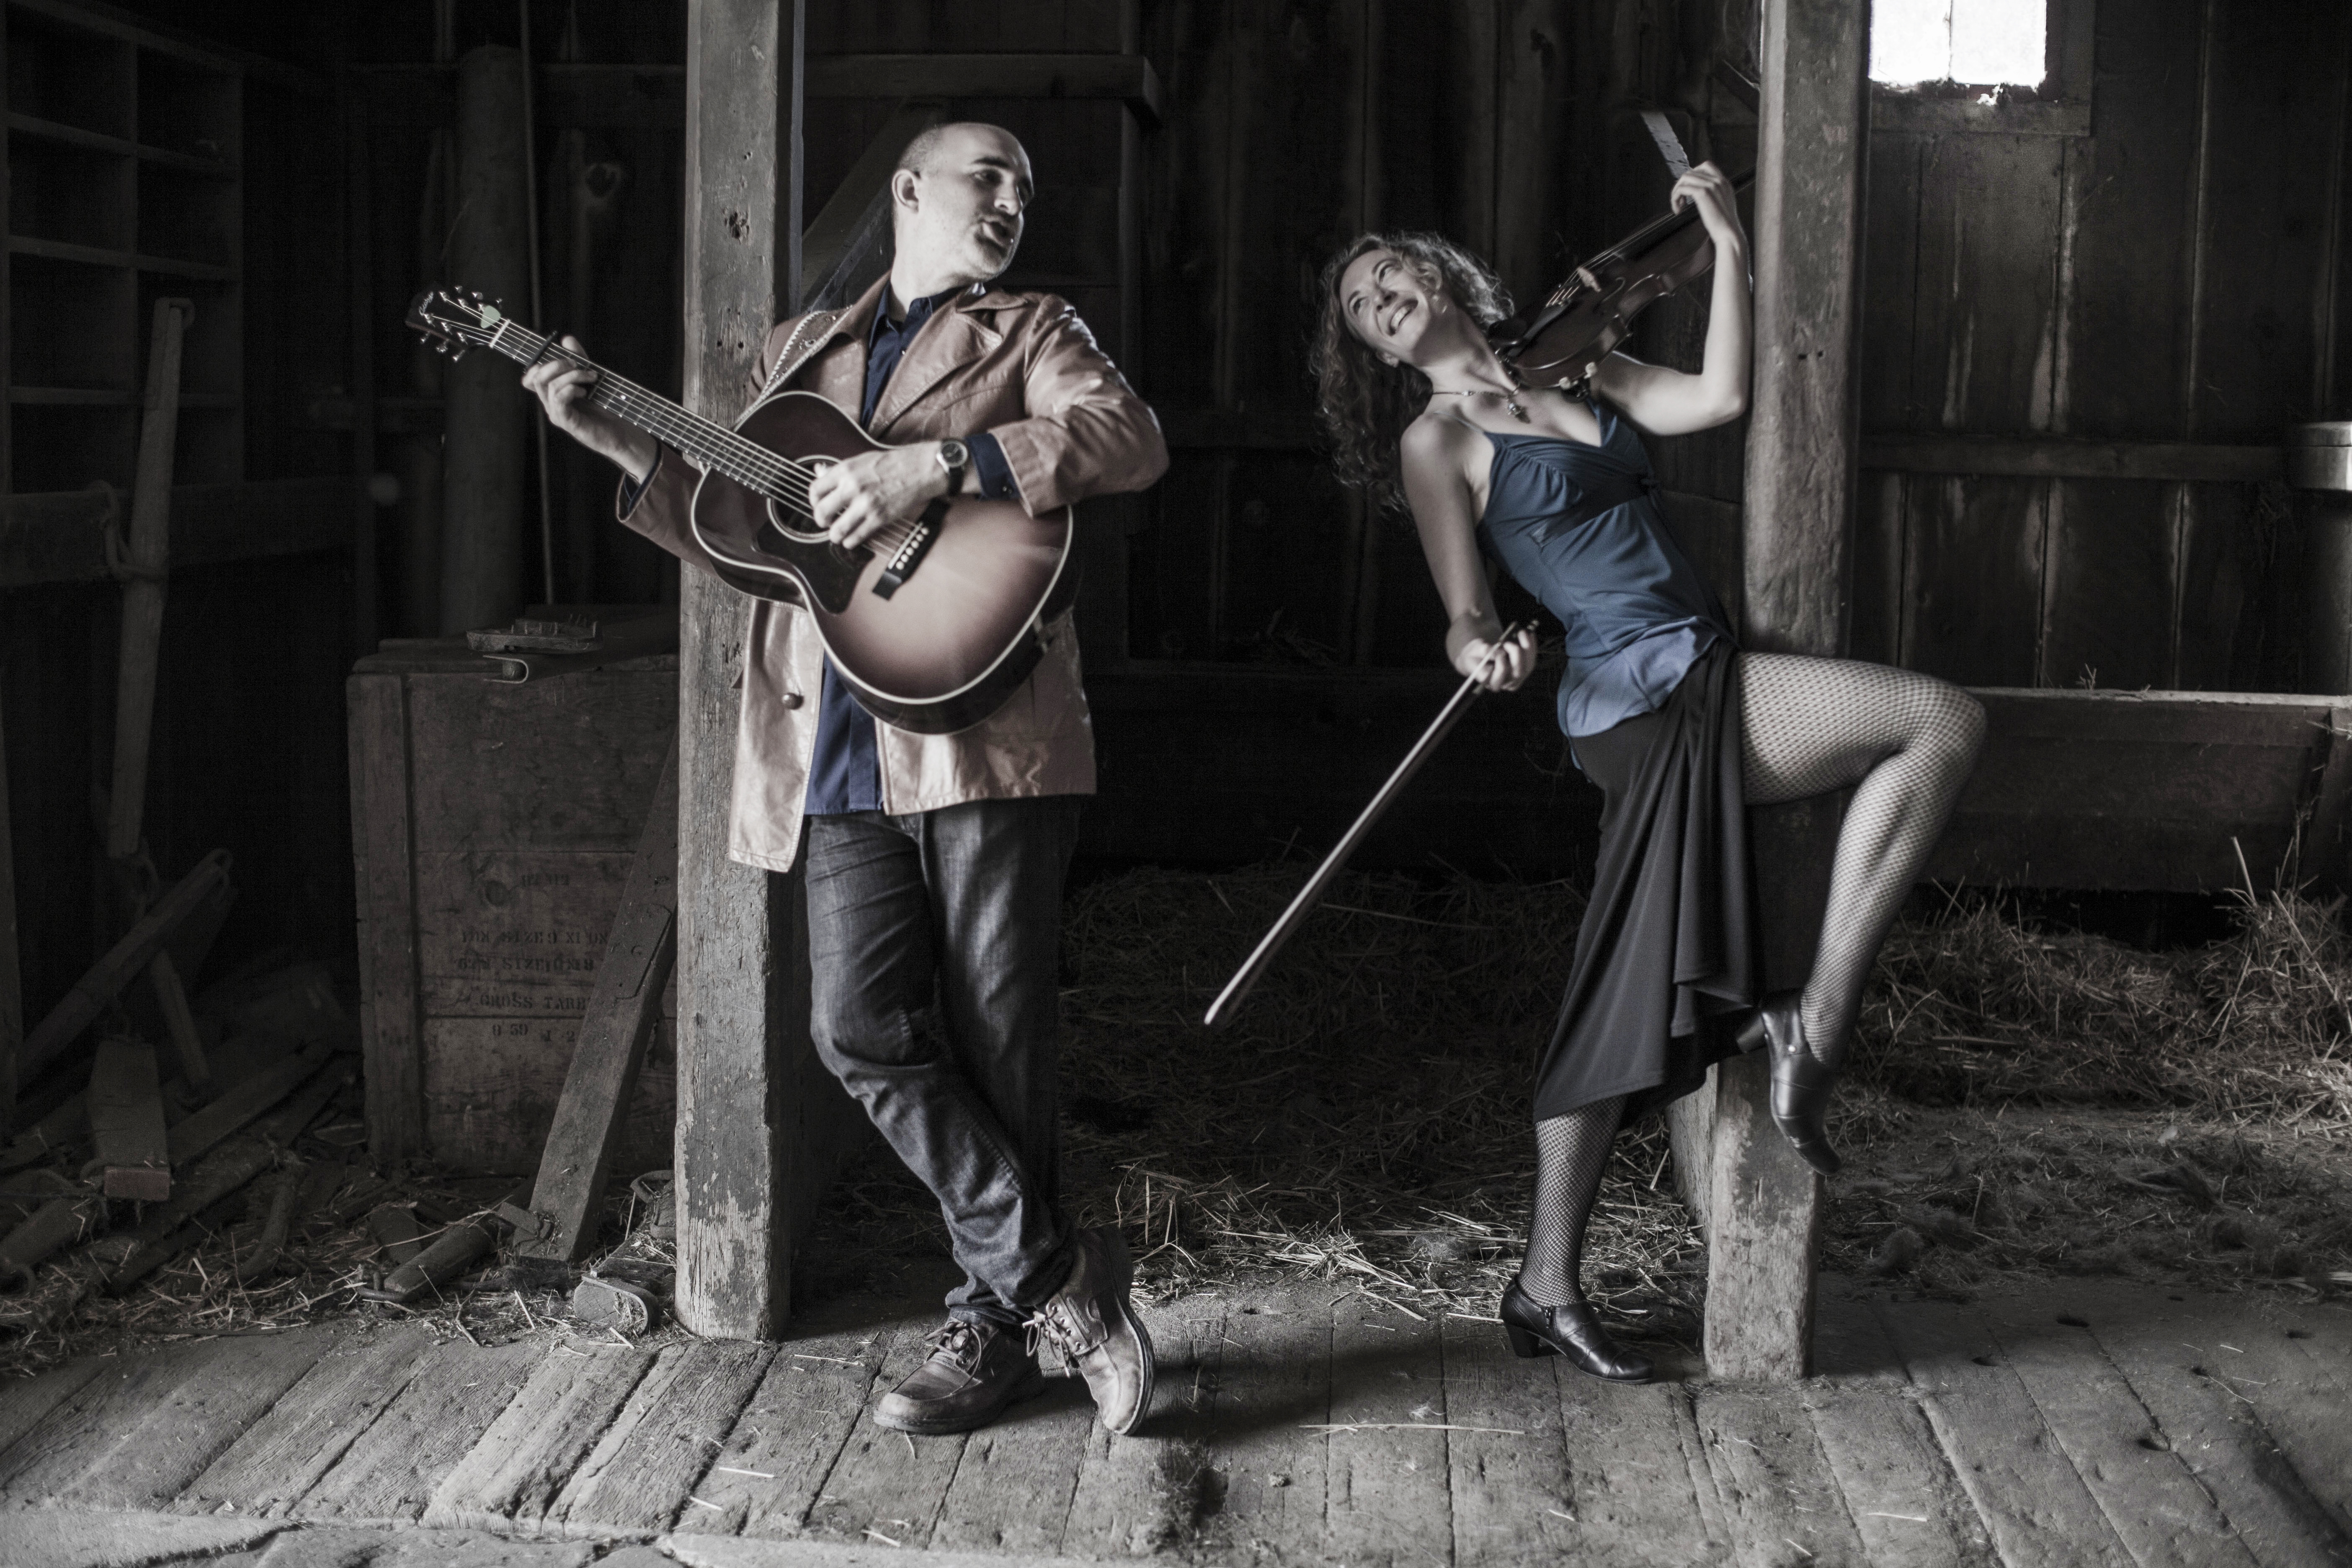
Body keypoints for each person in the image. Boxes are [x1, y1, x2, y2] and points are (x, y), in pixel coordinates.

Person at [523, 122, 1169, 1435]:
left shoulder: (1037, 329)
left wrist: (936, 465)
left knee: (999, 1035)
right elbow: (759, 546)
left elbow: (1127, 438)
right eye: (988, 174)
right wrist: (617, 443)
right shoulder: (796, 353)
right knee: (858, 1030)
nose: (1011, 197)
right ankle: (1056, 1278)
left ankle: (990, 1330)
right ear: (909, 193)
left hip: (984, 723)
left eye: (1026, 185)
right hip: (832, 734)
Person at [1311, 163, 1984, 1382]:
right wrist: (1487, 651)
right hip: (1632, 696)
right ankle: (1813, 1021)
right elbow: (1461, 615)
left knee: (1627, 982)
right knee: (1939, 718)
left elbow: (1723, 394)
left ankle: (1545, 1282)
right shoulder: (1438, 440)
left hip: (1701, 666)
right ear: (1369, 345)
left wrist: (1724, 241)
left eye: (1393, 273)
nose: (1383, 296)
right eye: (1362, 304)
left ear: (1443, 275)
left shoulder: (1581, 367)